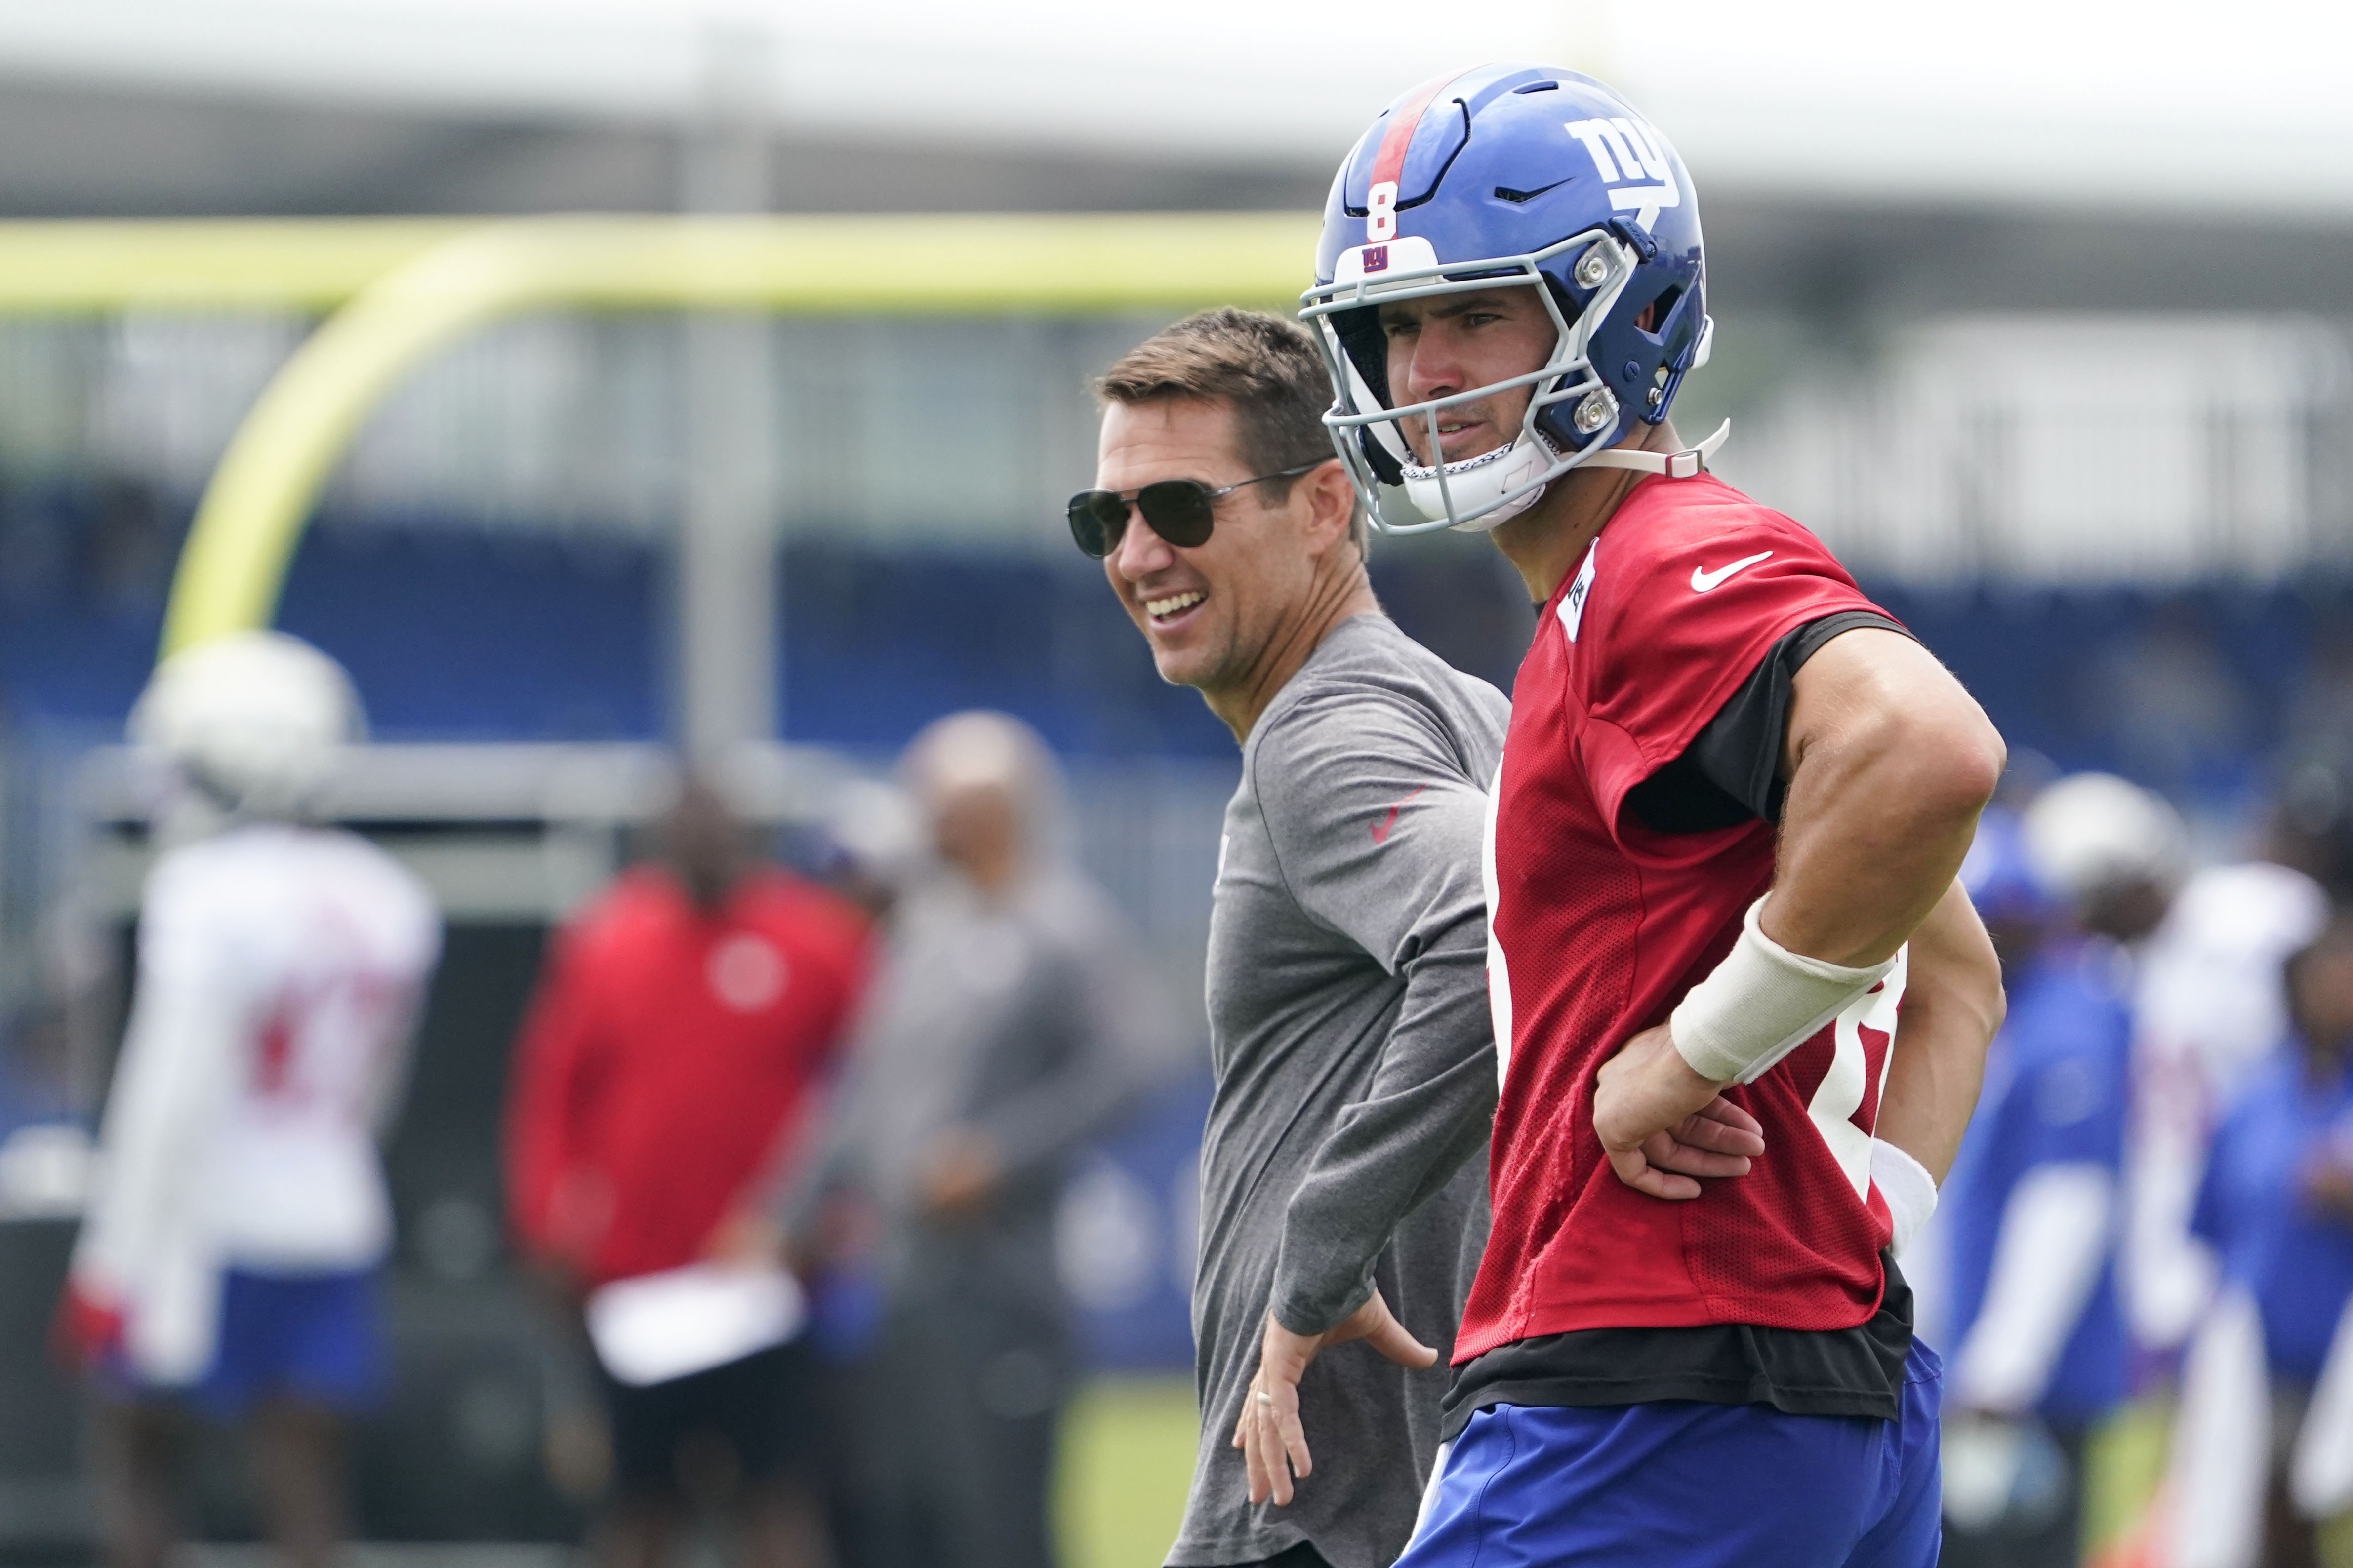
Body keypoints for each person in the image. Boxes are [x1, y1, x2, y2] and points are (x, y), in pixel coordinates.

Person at [1300, 66, 2008, 1567]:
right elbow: (1953, 982)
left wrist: (1685, 1058)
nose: (1421, 372)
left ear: (1619, 309)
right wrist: (1856, 1223)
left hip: (1651, 1389)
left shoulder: (1651, 564)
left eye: (1473, 314)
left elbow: (1929, 750)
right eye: (1392, 329)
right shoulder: (1634, 581)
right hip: (1809, 1386)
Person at [1081, 306, 1535, 1568]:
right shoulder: (1471, 709)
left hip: (1324, 1510)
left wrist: (1321, 1254)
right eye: (1102, 519)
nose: (1134, 555)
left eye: (1180, 508)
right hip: (1415, 1483)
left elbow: (1489, 927)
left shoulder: (1322, 733)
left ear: (1327, 504)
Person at [58, 631, 441, 1568]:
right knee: (304, 1485)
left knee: (140, 1459)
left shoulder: (205, 893)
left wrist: (110, 1266)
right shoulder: (390, 896)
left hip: (207, 1221)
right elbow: (377, 1091)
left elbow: (165, 1100)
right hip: (334, 1208)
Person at [795, 711, 1175, 1568]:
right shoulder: (922, 936)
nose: (926, 822)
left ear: (1000, 810)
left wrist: (999, 1157)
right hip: (902, 1287)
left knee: (994, 1527)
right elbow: (860, 1099)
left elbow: (1137, 1065)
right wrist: (785, 1210)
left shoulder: (1066, 926)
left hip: (1004, 1290)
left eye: (942, 803)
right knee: (900, 1519)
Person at [504, 774, 870, 1568]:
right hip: (638, 1280)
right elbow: (553, 1093)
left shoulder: (808, 939)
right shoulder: (608, 941)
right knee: (640, 1501)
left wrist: (833, 1212)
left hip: (763, 1280)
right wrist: (546, 1221)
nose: (703, 844)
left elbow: (871, 1081)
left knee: (774, 1496)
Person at [1936, 781, 2180, 1566]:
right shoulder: (2022, 1009)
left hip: (2030, 1378)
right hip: (1984, 1353)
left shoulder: (2065, 1018)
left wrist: (2009, 1363)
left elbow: (2066, 1203)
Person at [2167, 914, 2353, 1568]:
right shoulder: (2255, 1098)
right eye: (2323, 979)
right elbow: (2209, 1226)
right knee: (2245, 1520)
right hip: (2252, 1353)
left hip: (2339, 1358)